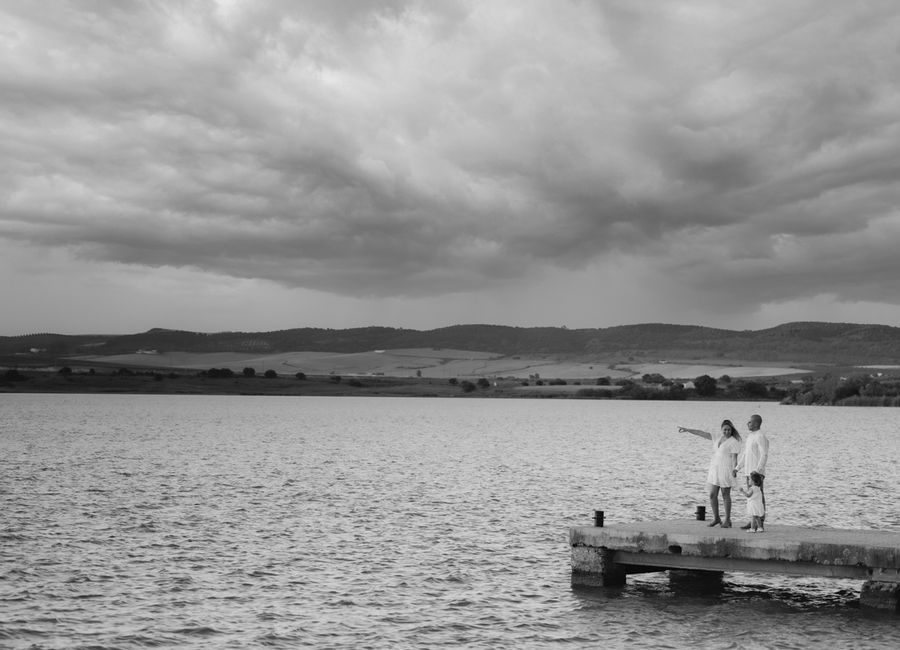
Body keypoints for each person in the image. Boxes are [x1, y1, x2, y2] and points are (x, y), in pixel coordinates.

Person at [678, 420, 742, 528]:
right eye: (725, 430)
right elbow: (702, 433)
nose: (727, 432)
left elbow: (735, 458)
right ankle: (716, 518)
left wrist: (735, 469)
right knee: (712, 494)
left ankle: (727, 520)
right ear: (722, 429)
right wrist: (688, 430)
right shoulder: (717, 437)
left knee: (725, 495)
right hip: (715, 468)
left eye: (729, 430)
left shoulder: (734, 442)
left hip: (726, 469)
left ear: (732, 430)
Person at [734, 414, 770, 529]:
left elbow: (764, 454)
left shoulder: (760, 436)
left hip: (756, 473)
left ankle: (760, 522)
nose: (747, 423)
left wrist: (758, 471)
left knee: (759, 496)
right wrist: (737, 468)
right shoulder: (750, 436)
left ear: (756, 423)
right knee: (751, 497)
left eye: (749, 422)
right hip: (748, 472)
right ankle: (753, 521)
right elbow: (746, 455)